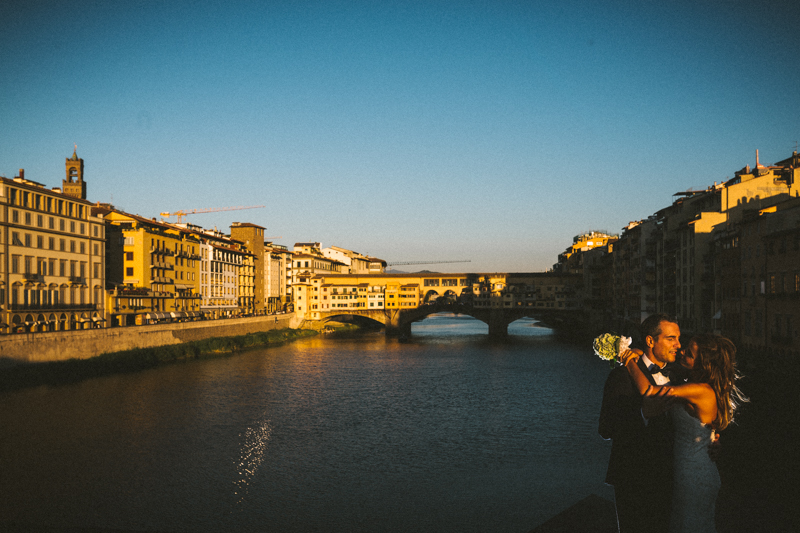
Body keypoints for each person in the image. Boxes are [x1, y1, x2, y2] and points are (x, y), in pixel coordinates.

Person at [621, 334, 746, 532]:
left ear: (702, 364)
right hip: (687, 469)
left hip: (695, 474)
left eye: (688, 354)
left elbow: (650, 391)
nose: (681, 352)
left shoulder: (701, 390)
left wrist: (627, 360)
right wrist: (640, 356)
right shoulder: (691, 382)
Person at [599, 313, 681, 533]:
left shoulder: (679, 376)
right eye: (671, 338)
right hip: (634, 479)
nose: (678, 345)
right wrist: (643, 414)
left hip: (672, 476)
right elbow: (605, 428)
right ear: (650, 341)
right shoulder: (621, 376)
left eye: (678, 339)